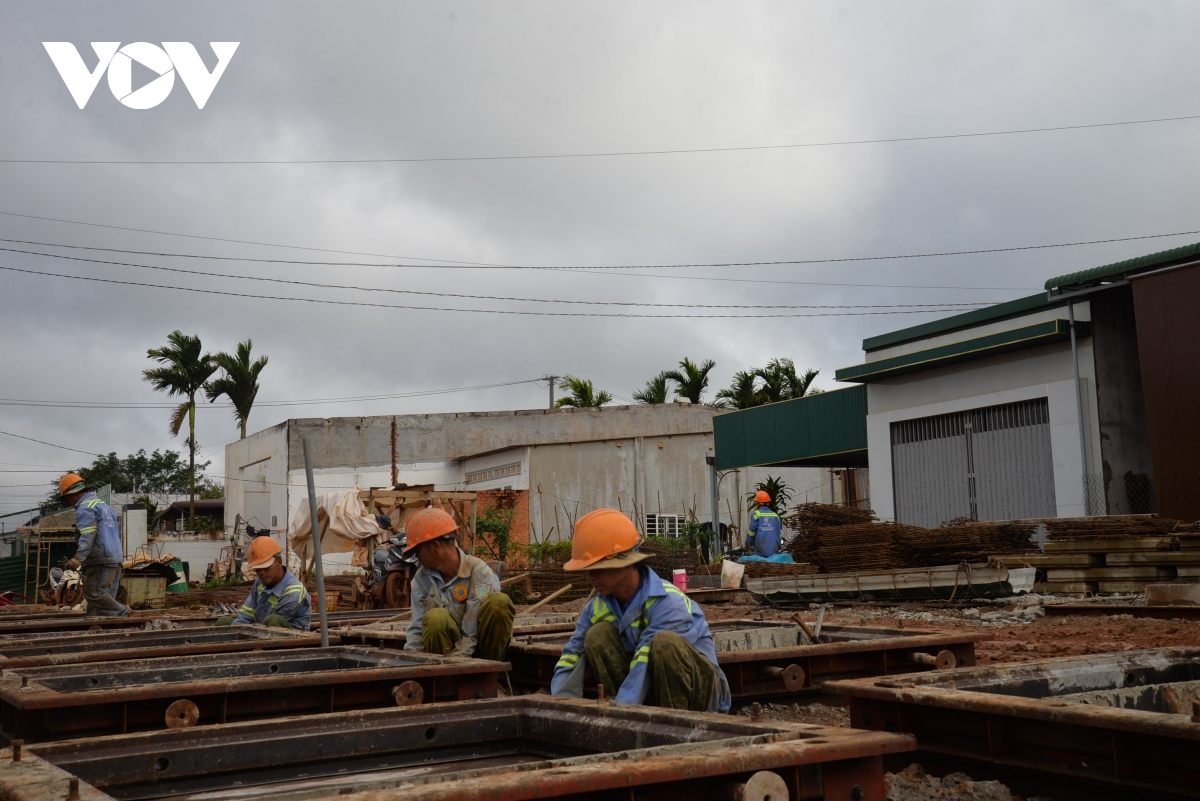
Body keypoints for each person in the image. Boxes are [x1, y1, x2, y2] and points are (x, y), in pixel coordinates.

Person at [551, 509, 730, 712]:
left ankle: (673, 722)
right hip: (645, 690)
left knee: (665, 643)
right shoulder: (597, 607)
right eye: (587, 569)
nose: (590, 576)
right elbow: (572, 654)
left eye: (597, 568)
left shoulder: (668, 602)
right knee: (597, 635)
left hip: (700, 692)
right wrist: (559, 707)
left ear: (624, 563)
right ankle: (625, 712)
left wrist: (623, 711)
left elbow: (644, 661)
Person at [403, 507, 514, 660]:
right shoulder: (422, 579)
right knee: (436, 618)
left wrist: (459, 663)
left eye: (418, 552)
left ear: (435, 547)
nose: (417, 557)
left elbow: (470, 635)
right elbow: (417, 629)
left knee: (499, 602)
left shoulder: (479, 573)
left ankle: (492, 669)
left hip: (483, 653)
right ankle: (442, 672)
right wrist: (409, 662)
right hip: (446, 659)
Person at [59, 474, 129, 617]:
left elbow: (88, 535)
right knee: (103, 599)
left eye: (67, 498)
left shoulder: (85, 508)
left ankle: (123, 613)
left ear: (72, 495)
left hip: (100, 559)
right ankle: (95, 623)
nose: (68, 501)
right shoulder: (105, 506)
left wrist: (78, 558)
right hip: (115, 557)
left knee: (94, 593)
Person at [218, 537, 311, 630]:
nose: (261, 573)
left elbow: (272, 626)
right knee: (223, 622)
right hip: (261, 627)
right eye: (258, 569)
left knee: (273, 620)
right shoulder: (261, 581)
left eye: (266, 568)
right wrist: (235, 631)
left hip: (291, 634)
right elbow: (247, 614)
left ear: (279, 562)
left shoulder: (294, 591)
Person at [744, 490, 782, 558]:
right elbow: (779, 534)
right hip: (773, 552)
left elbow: (751, 532)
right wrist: (778, 547)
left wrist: (747, 545)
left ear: (759, 503)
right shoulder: (775, 516)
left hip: (760, 551)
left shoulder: (756, 514)